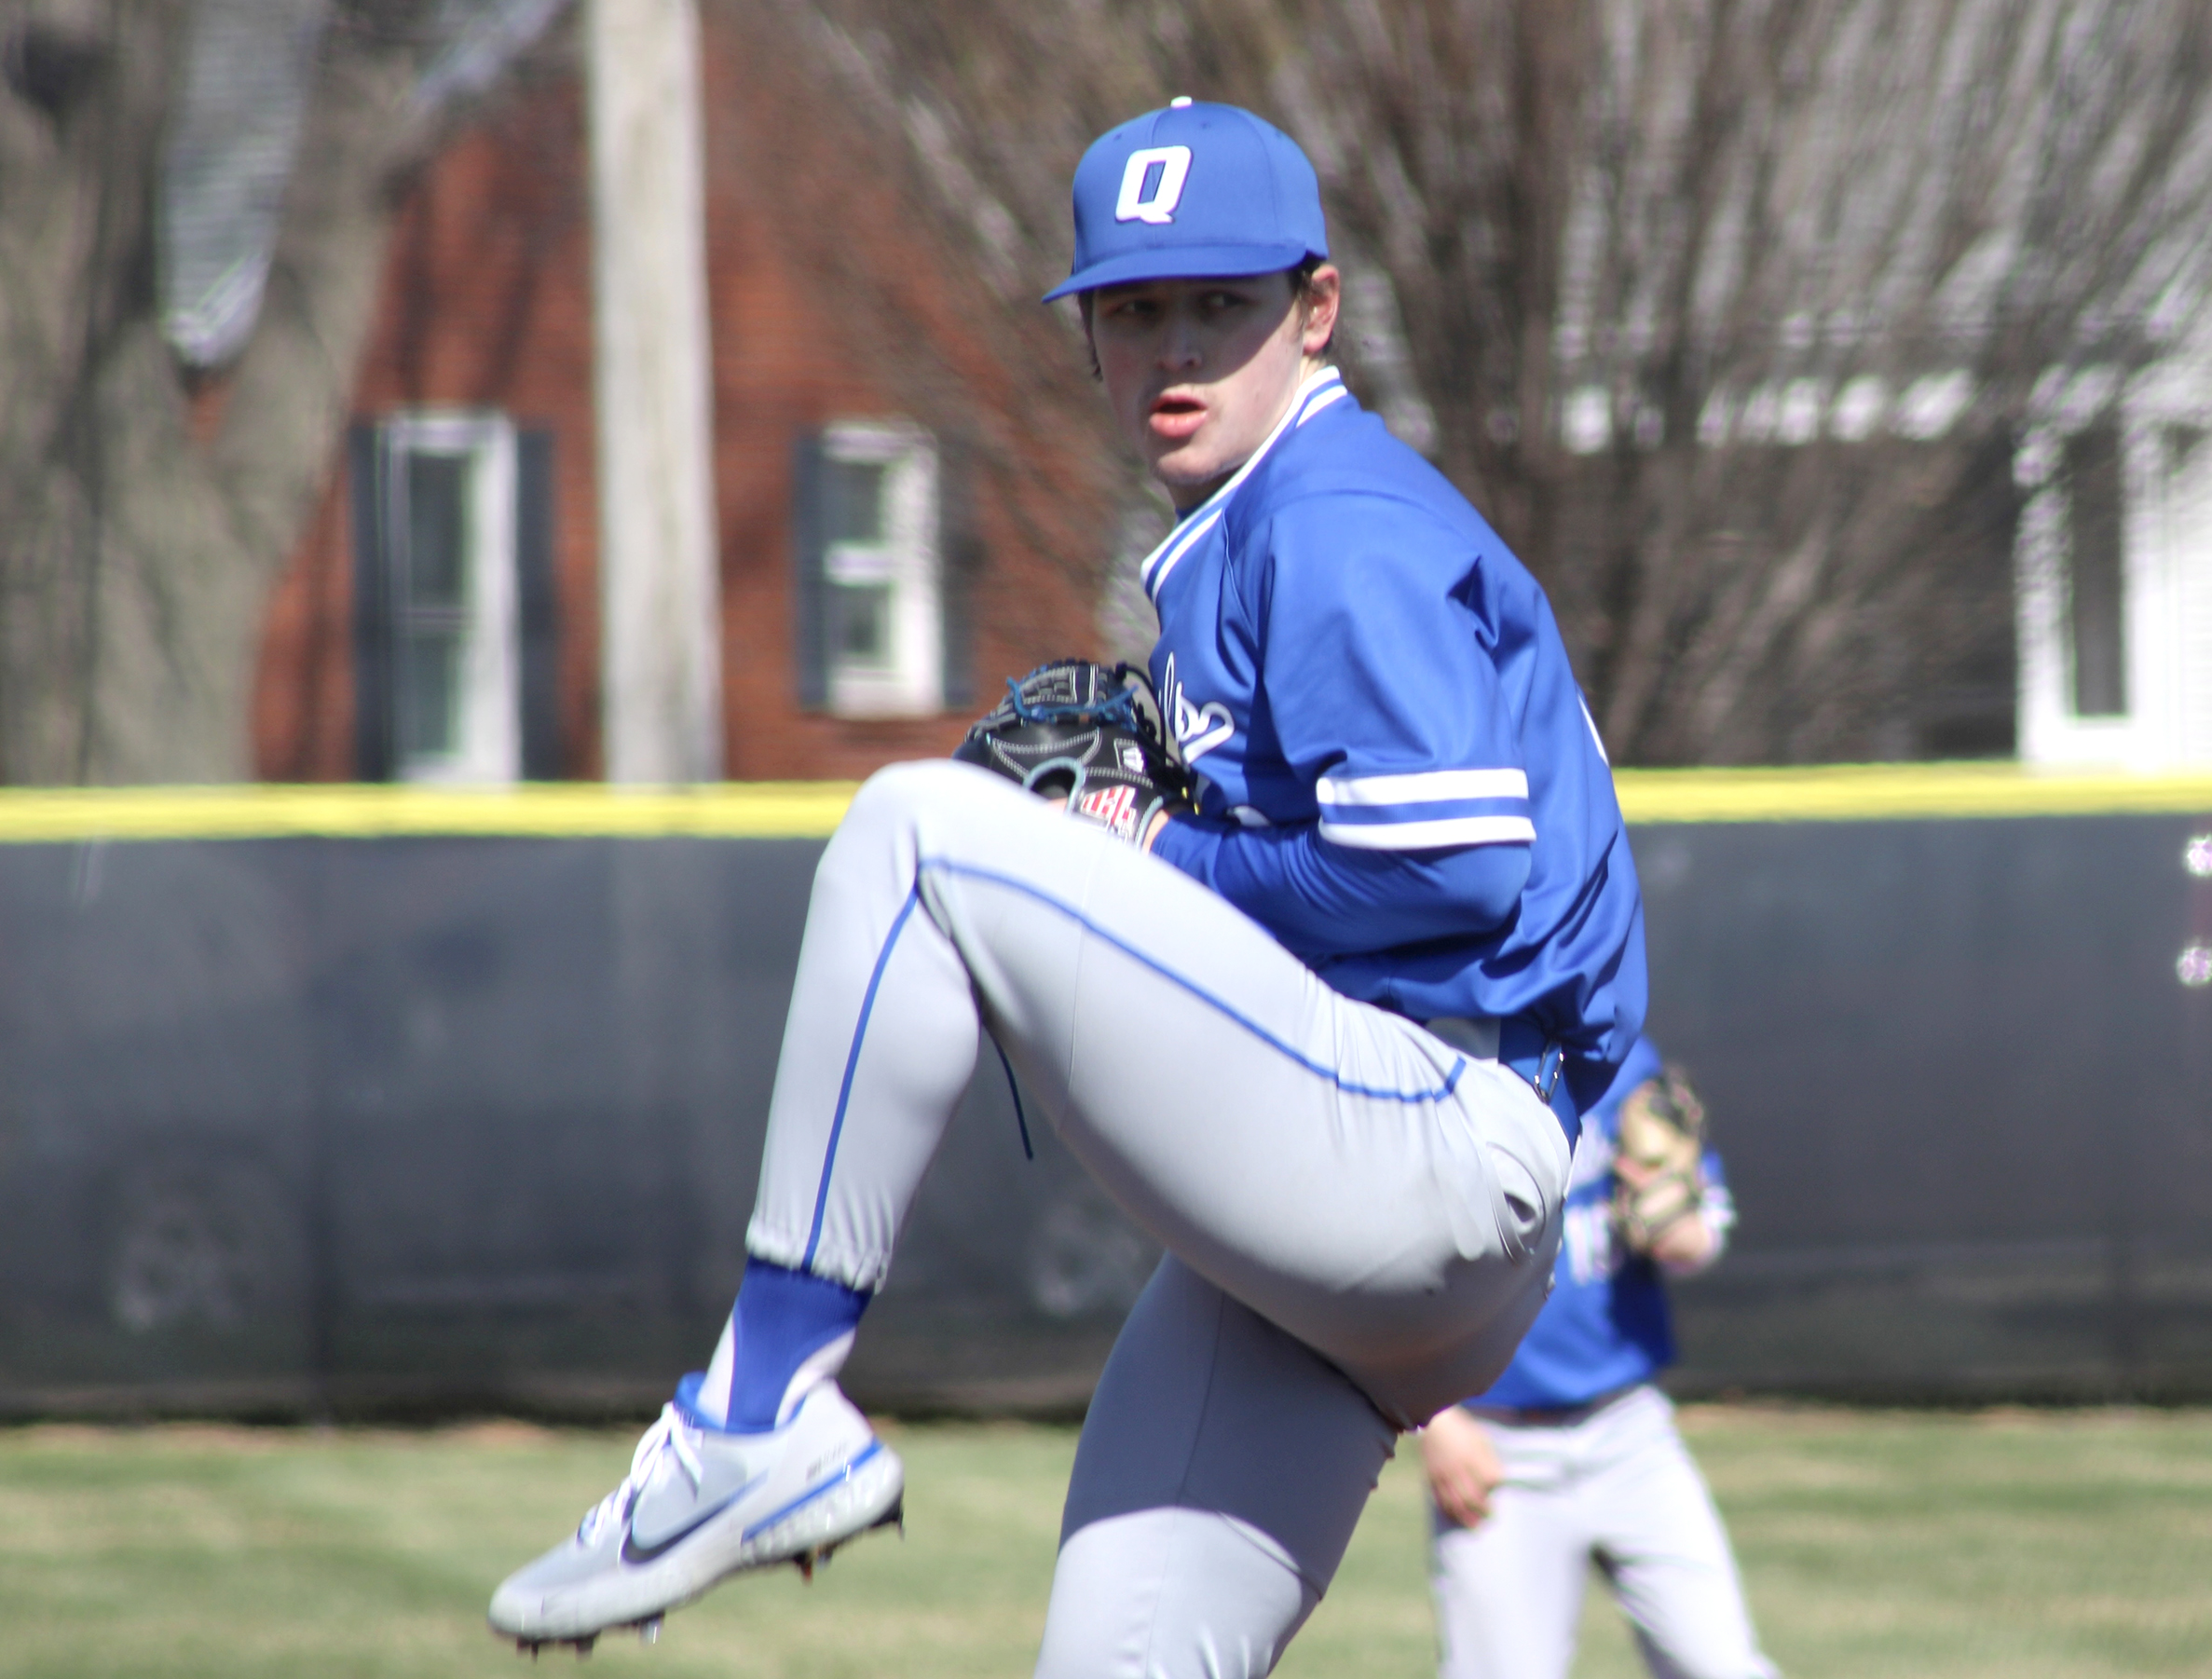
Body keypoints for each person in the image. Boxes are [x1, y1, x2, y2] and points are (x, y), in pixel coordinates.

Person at [487, 98, 1645, 1678]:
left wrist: (1159, 853)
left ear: (1315, 310)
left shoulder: (1336, 518)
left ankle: (758, 1410)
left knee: (914, 833)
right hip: (1372, 1207)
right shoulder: (1254, 529)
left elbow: (1453, 856)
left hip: (1435, 1136)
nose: (1174, 350)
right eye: (1132, 311)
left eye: (1220, 307)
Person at [1419, 1039, 1776, 1679]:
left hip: (1629, 1432)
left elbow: (1699, 1236)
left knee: (1722, 1664)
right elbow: (1383, 1276)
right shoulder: (1429, 1064)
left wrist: (1671, 1219)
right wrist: (1436, 1419)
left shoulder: (1617, 1061)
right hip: (1496, 1450)